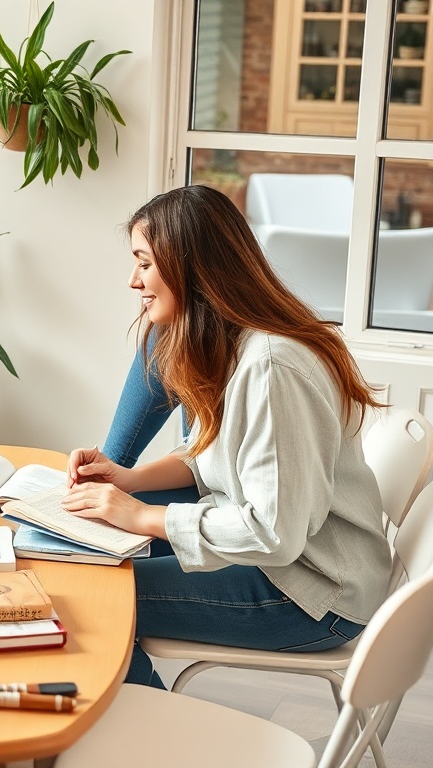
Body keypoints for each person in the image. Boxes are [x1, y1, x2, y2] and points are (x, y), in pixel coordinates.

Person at [64, 185, 390, 689]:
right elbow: (212, 457)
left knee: (89, 599)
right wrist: (128, 479)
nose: (133, 281)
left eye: (144, 264)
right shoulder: (230, 346)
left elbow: (274, 534)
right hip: (288, 565)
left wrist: (143, 516)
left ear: (189, 268)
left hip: (312, 593)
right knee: (84, 562)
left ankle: (152, 742)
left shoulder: (271, 368)